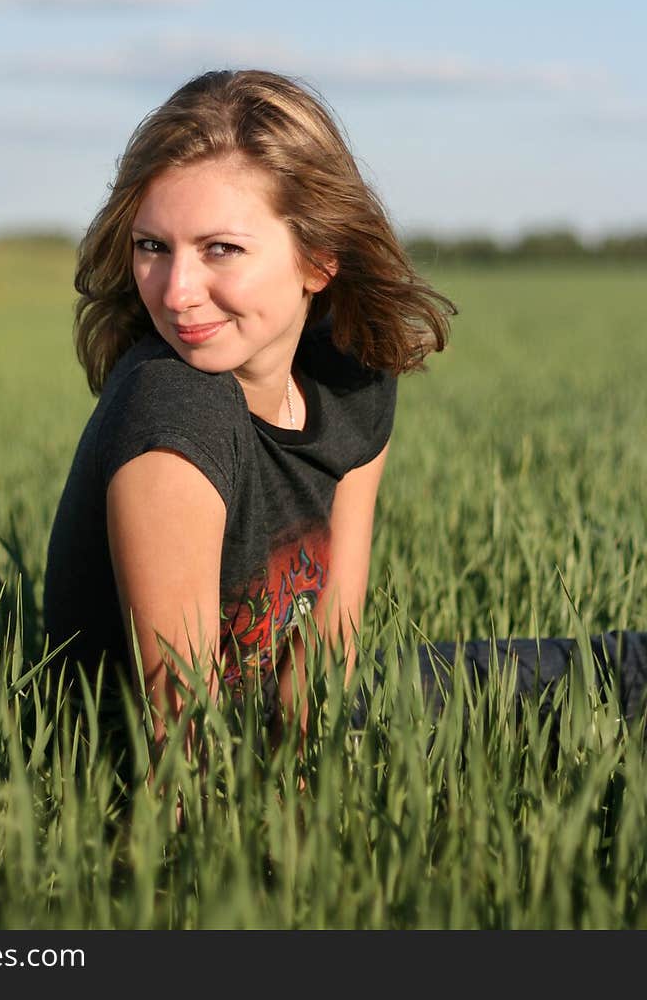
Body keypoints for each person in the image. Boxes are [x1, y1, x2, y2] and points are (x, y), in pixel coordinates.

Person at [43, 68, 647, 746]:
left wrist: (310, 774)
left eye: (220, 249)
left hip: (282, 717)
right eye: (153, 246)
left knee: (614, 673)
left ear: (319, 259)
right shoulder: (173, 400)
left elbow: (329, 642)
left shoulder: (351, 376)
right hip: (176, 745)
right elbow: (180, 733)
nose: (177, 290)